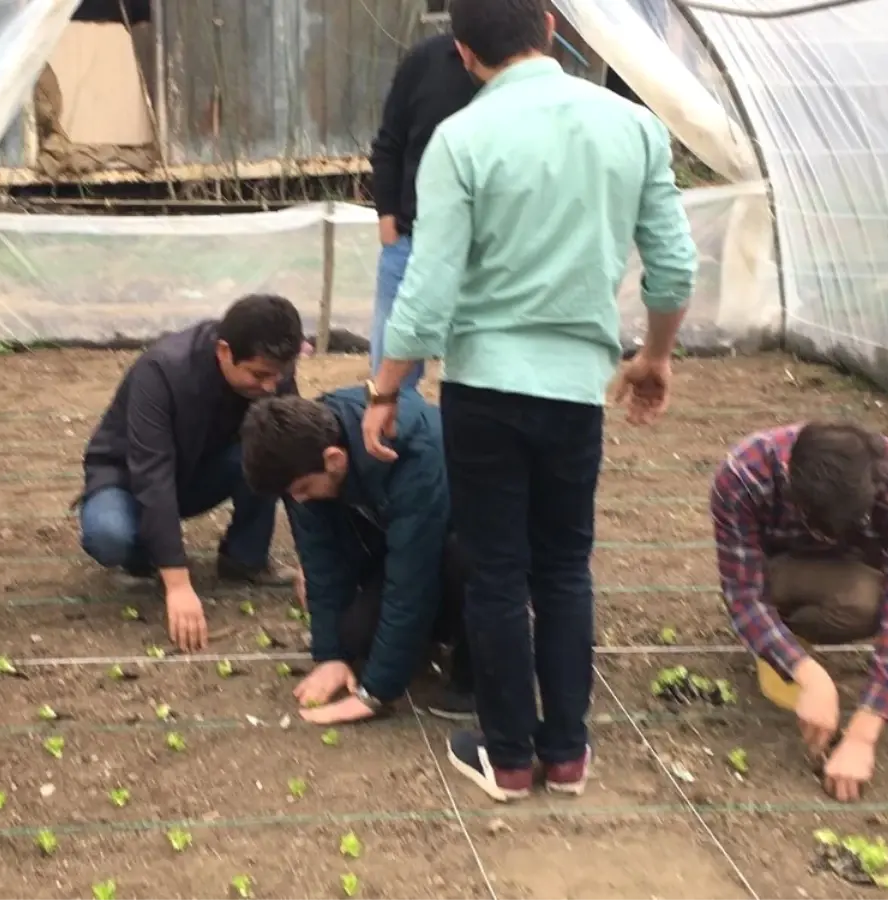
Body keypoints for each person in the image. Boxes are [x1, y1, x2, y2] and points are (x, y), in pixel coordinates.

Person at [360, 0, 697, 803]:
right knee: (564, 568)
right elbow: (674, 267)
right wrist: (653, 357)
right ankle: (568, 753)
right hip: (577, 388)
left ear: (465, 52)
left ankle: (509, 757)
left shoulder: (462, 140)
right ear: (550, 26)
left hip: (485, 387)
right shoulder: (631, 126)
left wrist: (385, 388)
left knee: (497, 572)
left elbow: (429, 286)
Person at [711, 421, 888, 803]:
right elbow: (744, 596)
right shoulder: (745, 475)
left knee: (878, 600)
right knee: (858, 598)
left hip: (859, 571)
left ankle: (790, 645)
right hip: (783, 571)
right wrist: (808, 673)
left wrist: (863, 733)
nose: (829, 537)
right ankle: (786, 642)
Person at [79, 294, 304, 654]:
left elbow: (292, 454)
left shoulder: (274, 374)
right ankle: (142, 558)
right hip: (128, 478)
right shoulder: (163, 371)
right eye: (259, 375)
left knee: (270, 449)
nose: (270, 387)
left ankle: (245, 559)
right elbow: (152, 477)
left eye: (278, 375)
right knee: (110, 534)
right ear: (224, 351)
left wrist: (315, 564)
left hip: (201, 471)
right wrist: (179, 585)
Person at [240, 389, 473, 726]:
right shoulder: (303, 455)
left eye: (303, 489)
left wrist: (374, 693)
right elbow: (320, 561)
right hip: (410, 546)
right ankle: (428, 635)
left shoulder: (413, 456)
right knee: (356, 637)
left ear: (334, 459)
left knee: (462, 557)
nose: (299, 500)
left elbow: (411, 579)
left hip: (484, 544)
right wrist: (331, 654)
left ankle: (476, 675)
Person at [369, 31, 479, 390]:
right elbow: (390, 142)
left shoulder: (522, 79)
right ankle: (391, 442)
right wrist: (388, 219)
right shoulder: (424, 60)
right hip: (410, 242)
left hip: (485, 251)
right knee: (390, 380)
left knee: (476, 383)